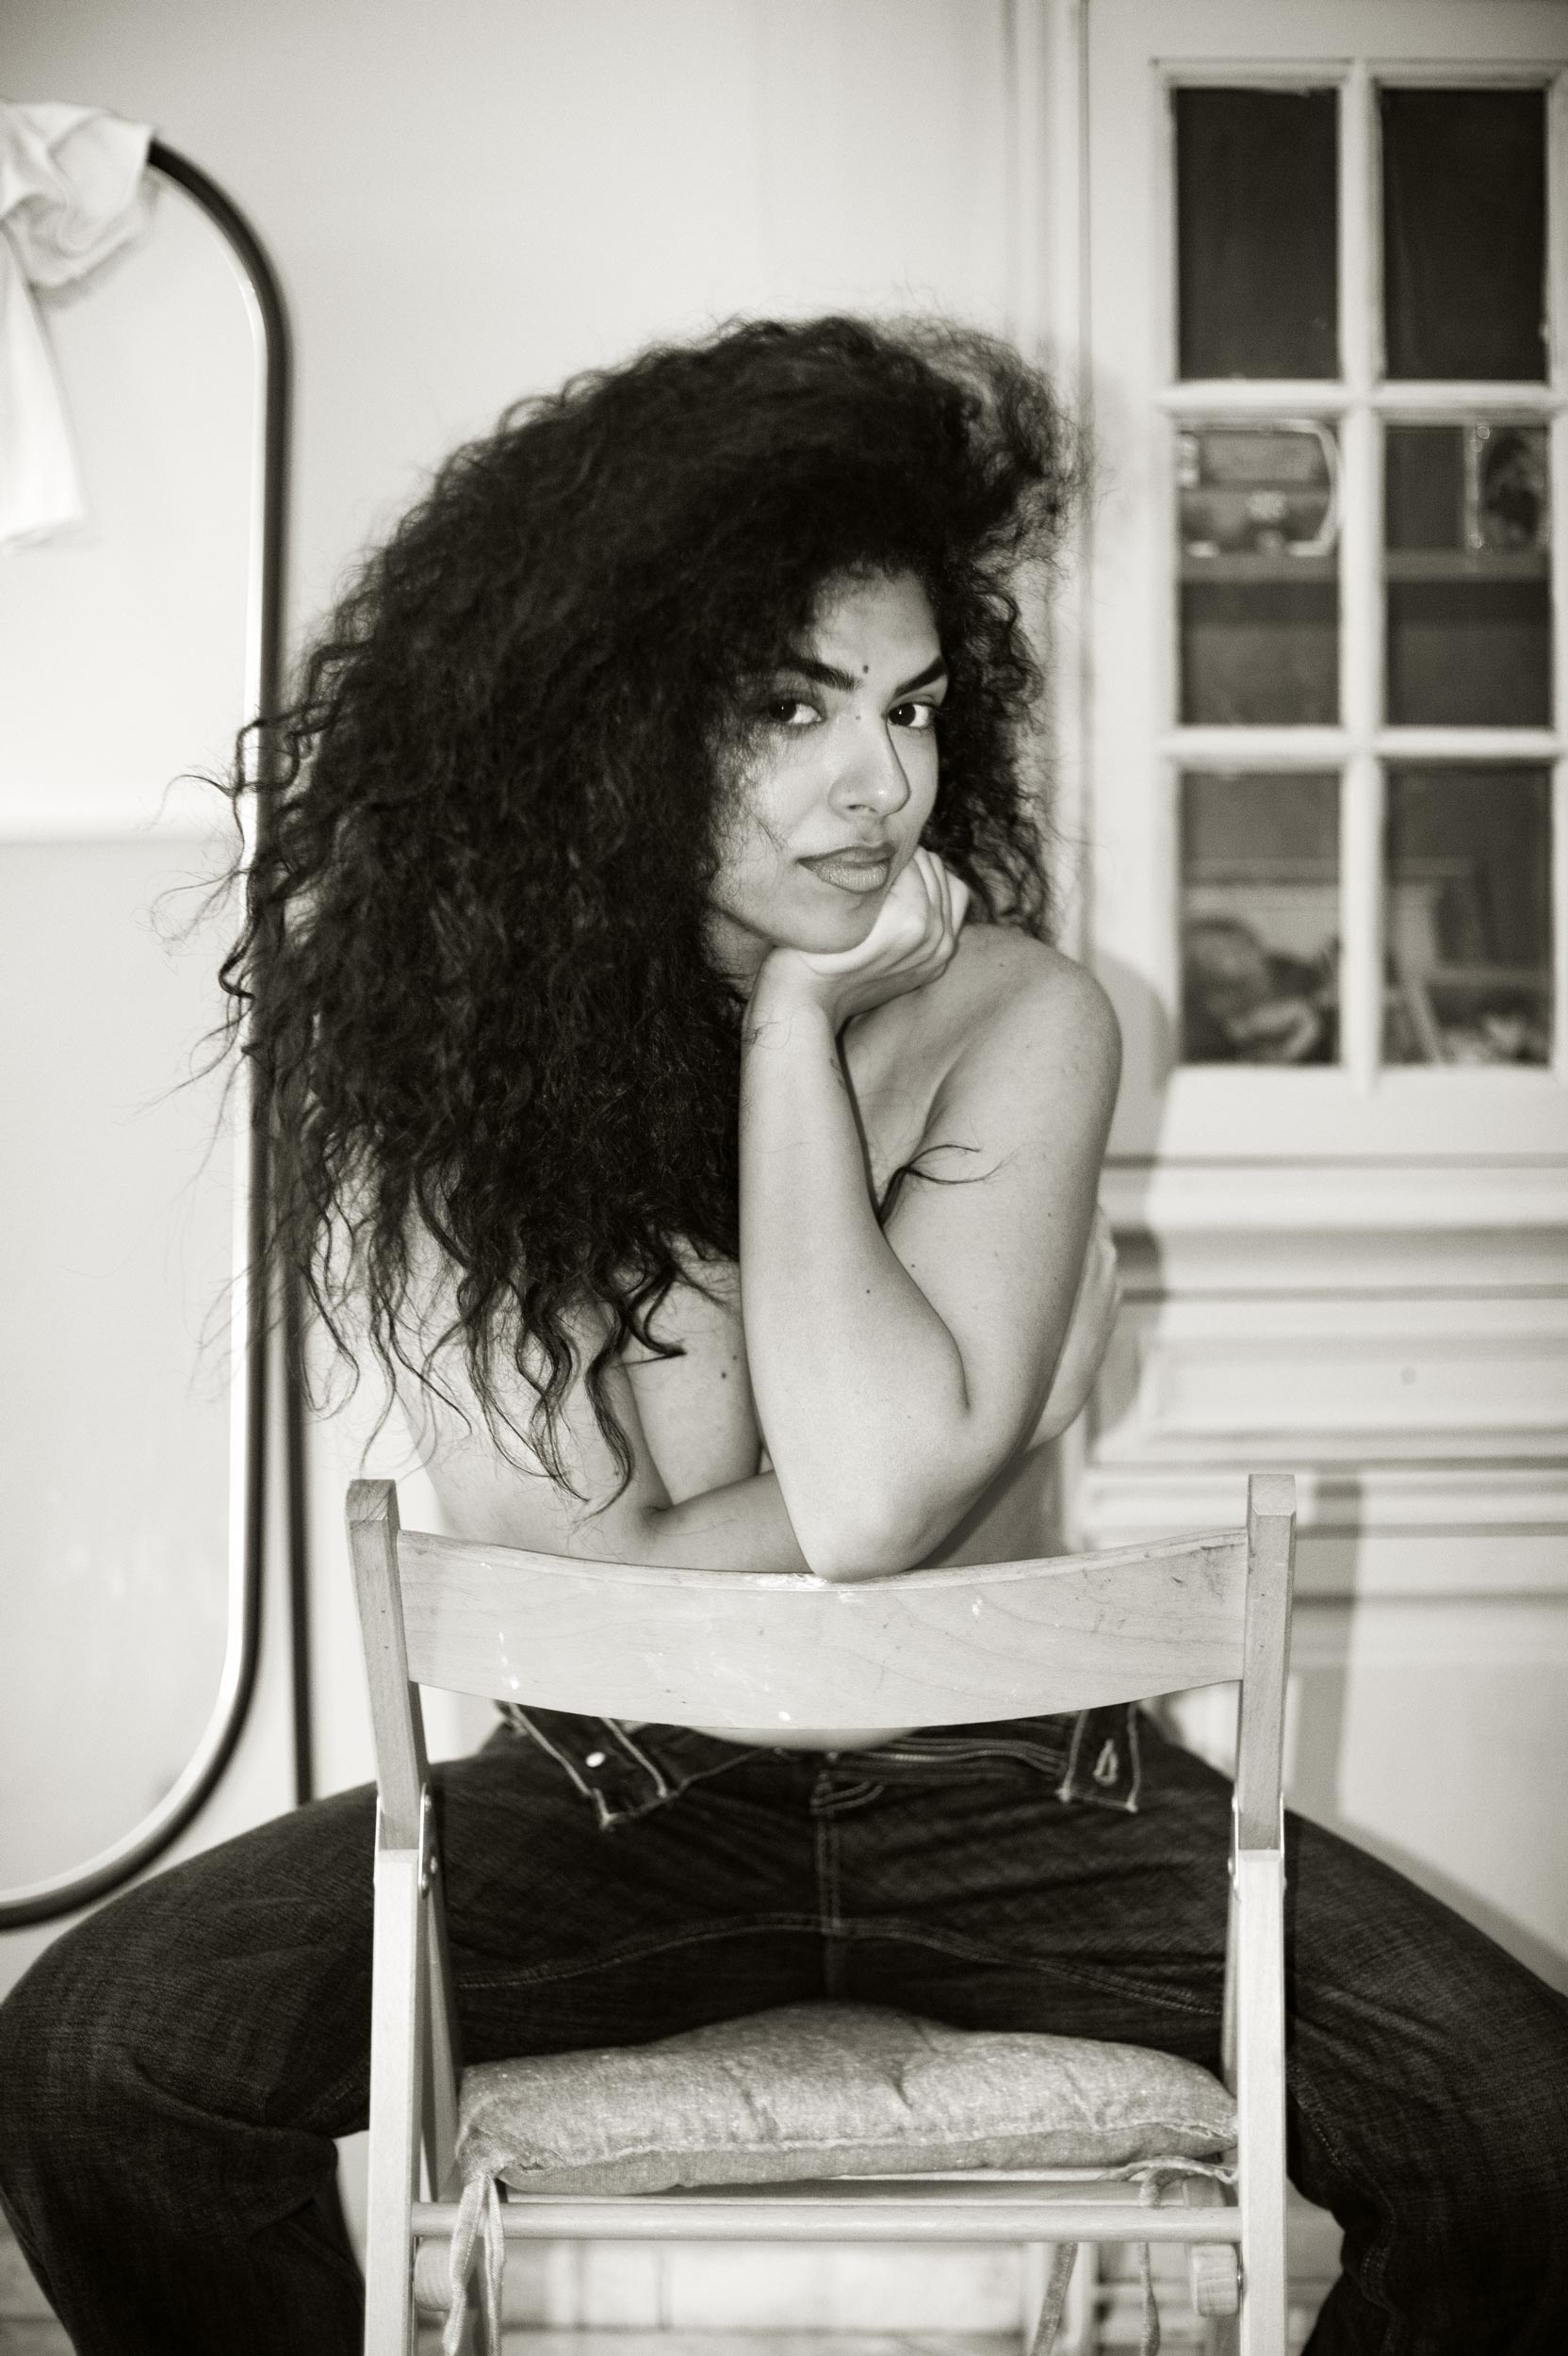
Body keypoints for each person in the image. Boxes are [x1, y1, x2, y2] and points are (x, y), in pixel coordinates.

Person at [0, 317, 1563, 2355]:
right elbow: (600, 1583)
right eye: (791, 706)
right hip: (613, 1799)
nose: (879, 782)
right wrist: (942, 1383)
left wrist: (796, 1040)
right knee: (101, 2062)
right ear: (611, 724)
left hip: (1028, 1787)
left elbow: (869, 1489)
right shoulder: (450, 1062)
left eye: (911, 708)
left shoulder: (1025, 1015)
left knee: (1523, 2131)